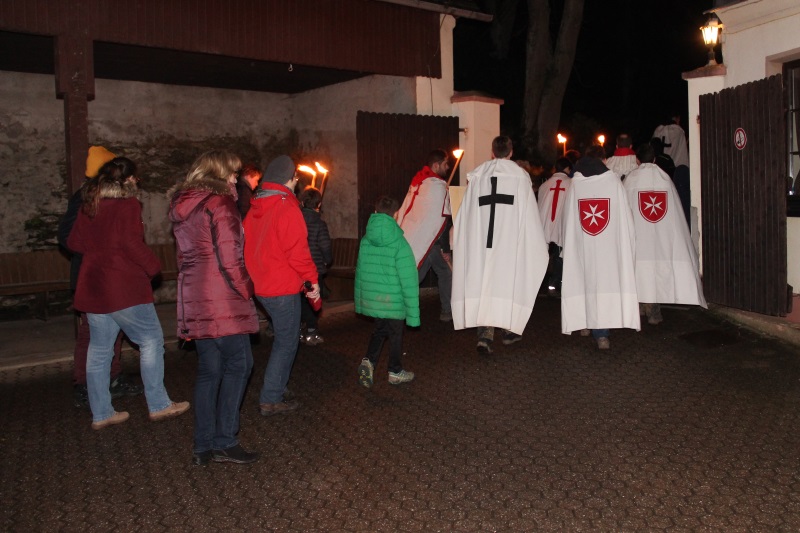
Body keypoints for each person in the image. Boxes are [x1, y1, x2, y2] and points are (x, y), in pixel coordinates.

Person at [67, 157, 190, 429]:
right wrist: (153, 266)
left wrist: (99, 250)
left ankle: (101, 413)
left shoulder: (90, 203)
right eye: (135, 178)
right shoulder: (127, 205)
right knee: (151, 341)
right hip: (123, 286)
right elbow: (131, 243)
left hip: (94, 285)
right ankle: (159, 404)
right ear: (128, 180)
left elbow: (74, 241)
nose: (137, 183)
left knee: (99, 350)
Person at [169, 150, 260, 466]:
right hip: (221, 296)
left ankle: (202, 445)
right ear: (221, 173)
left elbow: (184, 257)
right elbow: (230, 256)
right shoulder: (220, 203)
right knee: (240, 364)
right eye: (234, 172)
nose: (236, 178)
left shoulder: (186, 205)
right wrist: (248, 290)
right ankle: (225, 441)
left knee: (210, 370)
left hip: (196, 294)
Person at [58, 146, 143, 408]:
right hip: (92, 276)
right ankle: (84, 384)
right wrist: (96, 254)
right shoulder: (86, 197)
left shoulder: (105, 196)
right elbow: (67, 236)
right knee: (91, 334)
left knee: (113, 332)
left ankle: (112, 377)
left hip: (107, 275)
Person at [451, 135, 549, 354]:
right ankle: (508, 330)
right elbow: (529, 214)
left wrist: (462, 235)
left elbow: (467, 211)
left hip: (482, 243)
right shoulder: (519, 177)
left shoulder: (478, 176)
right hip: (508, 242)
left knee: (484, 283)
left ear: (492, 152)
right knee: (507, 283)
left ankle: (485, 336)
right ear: (511, 152)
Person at [243, 155, 320, 416]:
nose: (296, 181)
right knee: (287, 343)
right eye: (295, 177)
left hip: (261, 285)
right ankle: (271, 397)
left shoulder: (256, 205)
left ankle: (277, 384)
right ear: (289, 179)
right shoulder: (286, 207)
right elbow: (298, 253)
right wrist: (312, 280)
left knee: (282, 338)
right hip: (281, 286)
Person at [560, 145, 640, 349]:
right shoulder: (613, 181)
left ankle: (585, 322)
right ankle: (601, 333)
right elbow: (625, 215)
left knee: (583, 280)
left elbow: (568, 216)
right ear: (604, 160)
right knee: (604, 285)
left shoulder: (575, 183)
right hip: (607, 244)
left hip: (582, 242)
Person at [623, 143, 707, 325]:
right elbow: (675, 211)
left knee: (639, 270)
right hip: (660, 235)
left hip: (639, 235)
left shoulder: (631, 179)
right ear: (654, 159)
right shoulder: (665, 179)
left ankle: (642, 307)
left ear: (637, 160)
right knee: (654, 271)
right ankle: (652, 310)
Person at [355, 195, 419, 388]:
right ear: (396, 214)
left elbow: (361, 271)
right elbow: (409, 280)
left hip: (376, 298)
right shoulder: (400, 243)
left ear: (375, 211)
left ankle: (369, 361)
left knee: (380, 330)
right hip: (394, 300)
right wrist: (413, 314)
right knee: (396, 334)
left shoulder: (366, 240)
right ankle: (395, 371)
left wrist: (363, 299)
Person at [395, 149, 453, 322]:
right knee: (443, 273)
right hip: (432, 241)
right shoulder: (437, 187)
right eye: (445, 164)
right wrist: (445, 248)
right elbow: (442, 219)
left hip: (416, 238)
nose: (448, 167)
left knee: (417, 274)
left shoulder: (419, 182)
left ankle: (401, 307)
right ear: (436, 165)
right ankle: (446, 311)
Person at [298, 186, 332, 345]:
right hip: (314, 267)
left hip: (297, 267)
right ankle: (311, 332)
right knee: (313, 300)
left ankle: (298, 329)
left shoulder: (295, 220)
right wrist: (327, 259)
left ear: (302, 202)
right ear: (318, 204)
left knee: (299, 300)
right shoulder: (319, 223)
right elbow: (325, 245)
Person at [537, 157, 572, 297]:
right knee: (559, 254)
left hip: (544, 223)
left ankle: (541, 285)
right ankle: (555, 284)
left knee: (544, 255)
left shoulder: (544, 185)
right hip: (561, 223)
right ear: (567, 169)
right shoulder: (571, 184)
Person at [653, 114, 690, 225]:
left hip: (659, 170)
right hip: (675, 172)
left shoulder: (658, 131)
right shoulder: (679, 131)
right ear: (677, 119)